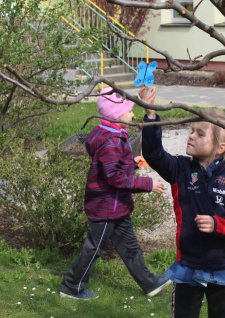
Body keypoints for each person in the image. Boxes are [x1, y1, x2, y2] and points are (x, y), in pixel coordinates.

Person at [140, 86, 225, 317]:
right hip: (187, 267)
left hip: (222, 270)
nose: (191, 135)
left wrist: (217, 225)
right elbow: (153, 155)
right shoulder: (180, 169)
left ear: (220, 148)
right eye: (191, 130)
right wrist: (151, 115)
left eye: (200, 133)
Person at [60, 87, 172, 300]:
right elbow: (115, 178)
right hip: (105, 208)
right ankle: (71, 285)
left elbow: (115, 169)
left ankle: (149, 284)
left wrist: (133, 163)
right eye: (129, 111)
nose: (132, 115)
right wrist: (147, 184)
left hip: (117, 206)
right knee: (93, 248)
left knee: (130, 246)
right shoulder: (111, 142)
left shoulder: (112, 135)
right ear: (115, 115)